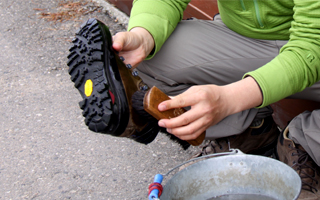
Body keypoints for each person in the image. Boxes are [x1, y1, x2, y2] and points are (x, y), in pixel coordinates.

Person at [68, 0, 320, 199]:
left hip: (313, 46)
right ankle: (252, 132)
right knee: (148, 58)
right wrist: (144, 34)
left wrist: (230, 98)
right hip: (246, 40)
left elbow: (310, 47)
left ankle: (304, 139)